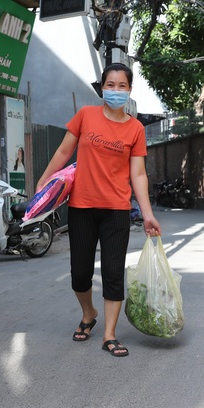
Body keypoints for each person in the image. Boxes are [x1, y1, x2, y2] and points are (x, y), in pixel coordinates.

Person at [36, 63, 161, 357]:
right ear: (102, 87)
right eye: (110, 85)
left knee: (113, 273)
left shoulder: (135, 129)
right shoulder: (85, 116)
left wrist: (147, 213)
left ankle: (109, 334)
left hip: (116, 209)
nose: (115, 91)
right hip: (81, 206)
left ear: (129, 90)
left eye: (122, 86)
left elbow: (139, 175)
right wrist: (44, 180)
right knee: (79, 274)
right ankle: (89, 312)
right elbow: (64, 152)